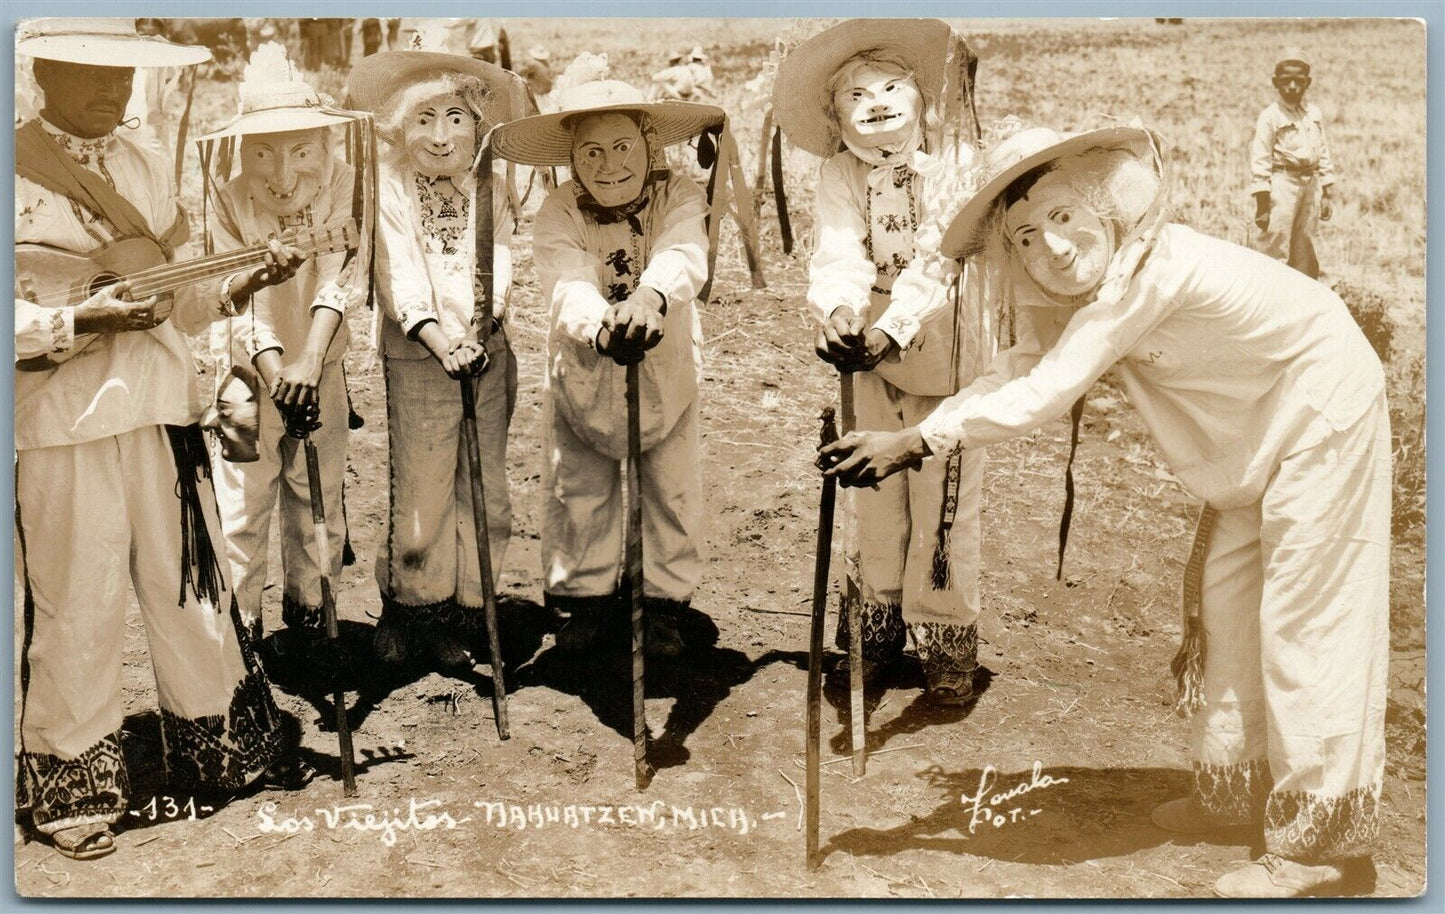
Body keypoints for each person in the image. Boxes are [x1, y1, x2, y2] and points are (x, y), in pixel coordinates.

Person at [821, 124, 1389, 898]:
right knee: (1229, 608)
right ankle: (1232, 795)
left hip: (1322, 410)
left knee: (1306, 625)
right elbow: (1022, 366)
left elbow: (1050, 389)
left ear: (1106, 206)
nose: (1049, 247)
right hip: (1257, 430)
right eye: (1024, 236)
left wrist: (918, 440)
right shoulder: (1093, 288)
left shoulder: (1152, 270)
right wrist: (915, 432)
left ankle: (1318, 846)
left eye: (1062, 217)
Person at [13, 18, 310, 862]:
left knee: (192, 585)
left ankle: (221, 749)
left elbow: (181, 297)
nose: (113, 94)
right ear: (42, 73)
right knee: (79, 597)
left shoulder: (146, 164)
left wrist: (241, 282)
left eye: (123, 77)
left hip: (158, 408)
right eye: (91, 77)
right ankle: (73, 784)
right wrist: (77, 316)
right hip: (59, 421)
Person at [773, 19, 990, 704]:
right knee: (873, 496)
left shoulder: (954, 166)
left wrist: (892, 327)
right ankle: (873, 630)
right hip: (869, 355)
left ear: (921, 98)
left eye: (891, 87)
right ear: (836, 119)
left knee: (944, 504)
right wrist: (837, 311)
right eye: (855, 95)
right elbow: (838, 249)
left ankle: (947, 636)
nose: (876, 102)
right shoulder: (839, 173)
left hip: (946, 351)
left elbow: (940, 260)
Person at [490, 61, 726, 658]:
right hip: (586, 367)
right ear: (571, 159)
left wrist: (650, 297)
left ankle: (663, 601)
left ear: (648, 145)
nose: (610, 164)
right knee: (579, 485)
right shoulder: (559, 212)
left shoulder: (680, 194)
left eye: (623, 146)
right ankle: (586, 600)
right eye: (591, 152)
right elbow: (565, 279)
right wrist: (601, 327)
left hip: (665, 362)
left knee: (670, 486)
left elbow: (683, 248)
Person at [345, 40, 525, 670]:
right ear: (400, 125)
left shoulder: (491, 183)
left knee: (484, 484)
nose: (442, 136)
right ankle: (411, 608)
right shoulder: (390, 184)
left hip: (487, 348)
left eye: (455, 119)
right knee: (421, 492)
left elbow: (500, 256)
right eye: (424, 119)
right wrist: (438, 337)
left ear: (477, 124)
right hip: (420, 353)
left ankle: (469, 609)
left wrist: (484, 324)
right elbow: (394, 269)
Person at [199, 42, 371, 648]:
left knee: (316, 495)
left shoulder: (346, 183)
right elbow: (234, 294)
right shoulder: (226, 196)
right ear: (243, 149)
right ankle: (239, 637)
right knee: (242, 504)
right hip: (244, 381)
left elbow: (338, 277)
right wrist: (275, 373)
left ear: (322, 146)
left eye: (299, 150)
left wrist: (308, 361)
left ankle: (310, 616)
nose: (281, 174)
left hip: (321, 366)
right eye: (263, 152)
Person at [1250, 49, 1335, 279]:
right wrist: (1262, 204)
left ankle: (1302, 297)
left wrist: (1327, 191)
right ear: (1276, 83)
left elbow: (1322, 151)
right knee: (1275, 241)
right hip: (1282, 184)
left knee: (1304, 242)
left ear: (1308, 83)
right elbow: (1260, 159)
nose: (1293, 87)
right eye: (1286, 81)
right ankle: (1267, 294)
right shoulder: (1270, 116)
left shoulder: (1313, 114)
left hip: (1310, 183)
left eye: (1299, 81)